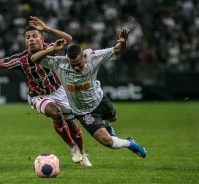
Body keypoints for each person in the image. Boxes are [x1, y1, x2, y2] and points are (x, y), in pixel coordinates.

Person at [0, 16, 92, 166]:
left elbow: (68, 38)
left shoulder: (52, 48)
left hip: (59, 90)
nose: (31, 39)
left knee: (72, 124)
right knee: (55, 113)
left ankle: (81, 153)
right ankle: (72, 146)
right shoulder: (21, 59)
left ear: (42, 39)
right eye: (28, 37)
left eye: (35, 36)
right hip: (38, 95)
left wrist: (47, 28)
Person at [30, 27, 147, 158]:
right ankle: (130, 143)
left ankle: (108, 127)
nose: (76, 67)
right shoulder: (60, 64)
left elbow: (118, 49)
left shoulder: (93, 57)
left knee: (113, 118)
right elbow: (34, 58)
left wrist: (123, 41)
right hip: (83, 111)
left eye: (78, 64)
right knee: (107, 141)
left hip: (100, 99)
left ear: (84, 56)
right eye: (72, 64)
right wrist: (52, 49)